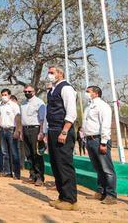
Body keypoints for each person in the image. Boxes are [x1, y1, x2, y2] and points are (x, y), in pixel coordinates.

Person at [40, 65, 79, 211]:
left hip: (63, 130)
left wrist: (65, 131)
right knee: (56, 164)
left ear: (60, 74)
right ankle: (62, 196)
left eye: (51, 72)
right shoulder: (52, 89)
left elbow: (71, 112)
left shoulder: (66, 88)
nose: (49, 75)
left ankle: (70, 199)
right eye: (48, 72)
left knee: (64, 164)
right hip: (52, 130)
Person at [82, 86, 118, 205]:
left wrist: (103, 142)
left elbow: (106, 124)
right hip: (90, 139)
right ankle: (101, 191)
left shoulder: (103, 106)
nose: (86, 93)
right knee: (98, 168)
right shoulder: (88, 107)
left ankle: (111, 194)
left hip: (99, 140)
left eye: (88, 91)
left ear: (96, 93)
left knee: (107, 168)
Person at [20, 85, 46, 186]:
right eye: (25, 91)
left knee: (37, 154)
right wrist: (21, 132)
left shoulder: (39, 103)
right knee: (29, 154)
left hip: (35, 130)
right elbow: (22, 119)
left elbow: (42, 119)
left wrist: (41, 132)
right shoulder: (23, 103)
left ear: (34, 92)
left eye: (29, 91)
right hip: (25, 129)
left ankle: (40, 177)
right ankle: (32, 175)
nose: (27, 93)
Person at [0, 88, 21, 179]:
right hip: (3, 130)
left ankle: (16, 173)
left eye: (5, 94)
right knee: (4, 152)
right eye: (2, 95)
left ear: (9, 95)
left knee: (14, 152)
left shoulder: (14, 105)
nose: (4, 96)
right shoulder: (1, 106)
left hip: (11, 130)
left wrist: (17, 130)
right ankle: (7, 171)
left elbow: (18, 118)